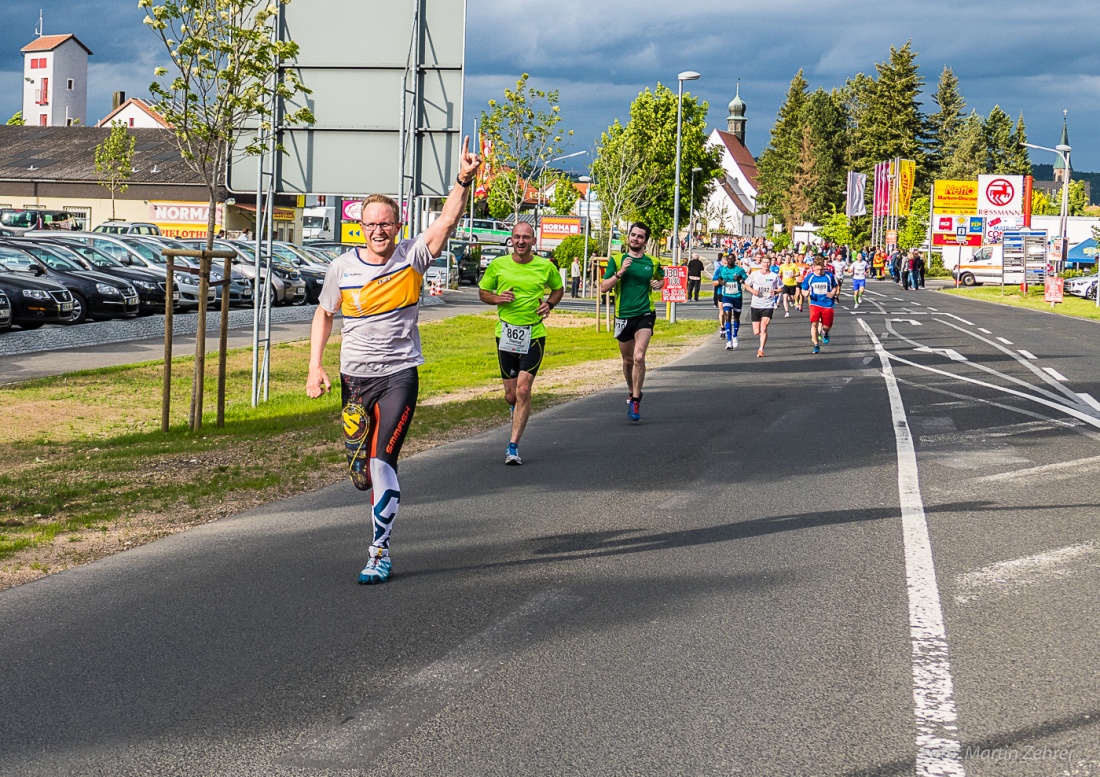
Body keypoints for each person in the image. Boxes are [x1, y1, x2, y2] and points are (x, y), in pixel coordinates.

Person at [306, 136, 481, 585]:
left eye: (386, 223)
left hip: (400, 374)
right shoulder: (342, 269)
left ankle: (379, 551)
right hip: (354, 378)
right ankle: (358, 458)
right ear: (360, 226)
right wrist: (315, 367)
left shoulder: (413, 258)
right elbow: (324, 314)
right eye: (371, 224)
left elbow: (447, 218)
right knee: (362, 475)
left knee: (384, 461)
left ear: (398, 225)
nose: (378, 231)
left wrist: (463, 178)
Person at [479, 222, 564, 465]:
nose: (521, 241)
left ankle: (513, 446)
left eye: (526, 237)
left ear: (533, 241)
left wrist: (550, 304)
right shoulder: (498, 265)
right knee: (510, 395)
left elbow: (558, 289)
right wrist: (497, 297)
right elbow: (483, 292)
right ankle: (515, 409)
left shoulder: (545, 266)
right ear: (511, 240)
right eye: (517, 237)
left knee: (524, 390)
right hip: (506, 334)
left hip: (534, 334)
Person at [600, 222, 664, 421]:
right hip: (623, 315)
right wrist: (620, 273)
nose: (636, 239)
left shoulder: (652, 261)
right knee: (627, 361)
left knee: (638, 357)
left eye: (640, 236)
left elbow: (661, 280)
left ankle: (636, 399)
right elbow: (603, 287)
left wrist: (658, 284)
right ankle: (631, 391)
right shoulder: (617, 260)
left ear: (646, 241)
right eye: (633, 235)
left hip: (645, 313)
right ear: (628, 237)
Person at [802, 258, 838, 353]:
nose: (819, 271)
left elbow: (835, 286)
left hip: (827, 304)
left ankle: (825, 333)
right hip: (815, 303)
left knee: (826, 327)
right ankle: (816, 345)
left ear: (824, 268)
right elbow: (803, 289)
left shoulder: (829, 276)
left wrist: (833, 292)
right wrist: (805, 293)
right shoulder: (810, 277)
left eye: (821, 269)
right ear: (814, 268)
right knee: (814, 323)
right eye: (817, 269)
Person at [712, 253, 748, 349]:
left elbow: (746, 280)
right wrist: (721, 281)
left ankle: (735, 336)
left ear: (735, 260)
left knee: (736, 317)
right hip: (727, 296)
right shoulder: (722, 269)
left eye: (732, 259)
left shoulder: (739, 270)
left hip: (737, 296)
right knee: (727, 315)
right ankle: (729, 341)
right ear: (727, 260)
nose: (730, 260)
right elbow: (718, 278)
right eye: (729, 259)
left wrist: (740, 279)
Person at [746, 258, 780, 357]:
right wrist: (753, 291)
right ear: (761, 264)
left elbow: (781, 287)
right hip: (756, 304)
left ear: (770, 264)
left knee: (764, 326)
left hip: (768, 304)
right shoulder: (755, 274)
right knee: (757, 331)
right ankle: (763, 337)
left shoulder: (774, 276)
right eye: (764, 262)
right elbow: (747, 284)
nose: (766, 264)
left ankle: (761, 349)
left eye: (768, 262)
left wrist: (776, 291)